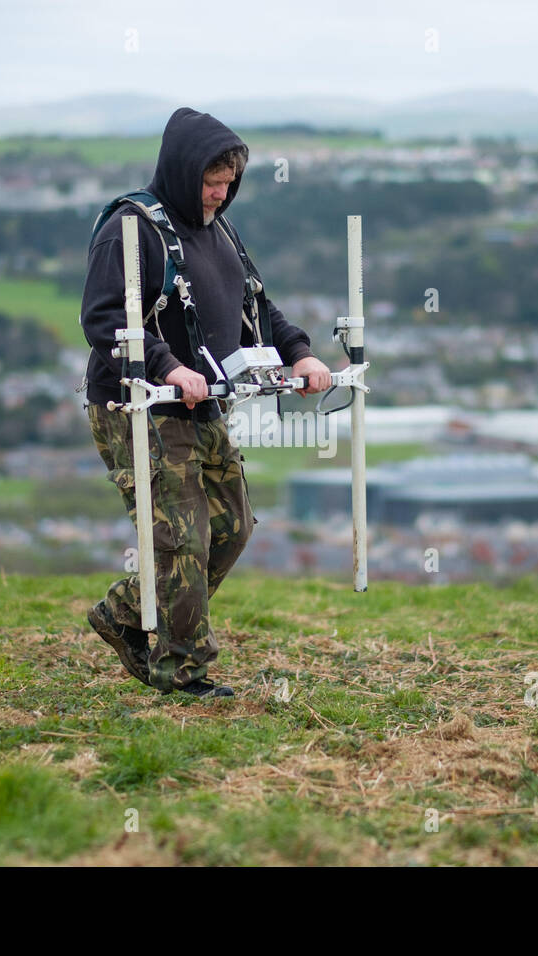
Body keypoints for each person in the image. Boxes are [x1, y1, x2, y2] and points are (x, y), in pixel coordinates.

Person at [79, 106, 331, 698]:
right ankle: (182, 671)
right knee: (182, 536)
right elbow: (104, 319)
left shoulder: (222, 230)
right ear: (183, 170)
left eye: (228, 185)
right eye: (210, 183)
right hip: (137, 403)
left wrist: (300, 353)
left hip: (201, 403)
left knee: (232, 524)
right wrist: (169, 367)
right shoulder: (132, 227)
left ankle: (124, 612)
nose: (219, 195)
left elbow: (258, 310)